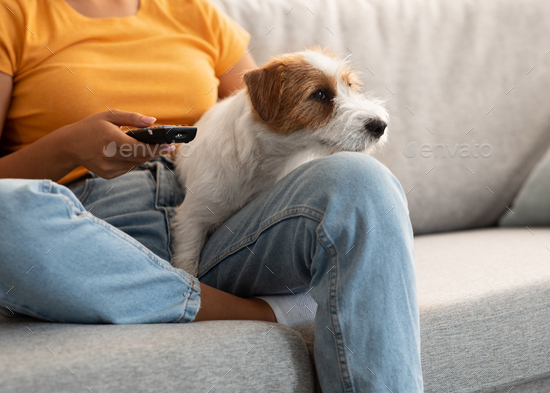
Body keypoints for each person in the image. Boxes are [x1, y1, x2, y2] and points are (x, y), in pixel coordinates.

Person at [0, 0, 423, 391]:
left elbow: (271, 118)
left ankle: (164, 299)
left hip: (221, 224)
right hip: (95, 229)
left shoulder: (195, 11)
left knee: (364, 182)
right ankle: (259, 310)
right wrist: (69, 147)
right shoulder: (16, 15)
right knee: (7, 215)